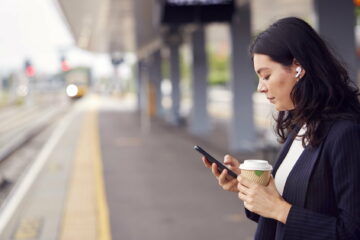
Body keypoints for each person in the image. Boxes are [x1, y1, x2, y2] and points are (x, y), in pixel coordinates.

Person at [202, 17, 360, 240]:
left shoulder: (346, 133)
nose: (260, 87)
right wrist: (251, 187)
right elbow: (291, 208)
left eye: (266, 75)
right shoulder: (302, 125)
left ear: (298, 67)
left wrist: (278, 209)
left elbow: (352, 231)